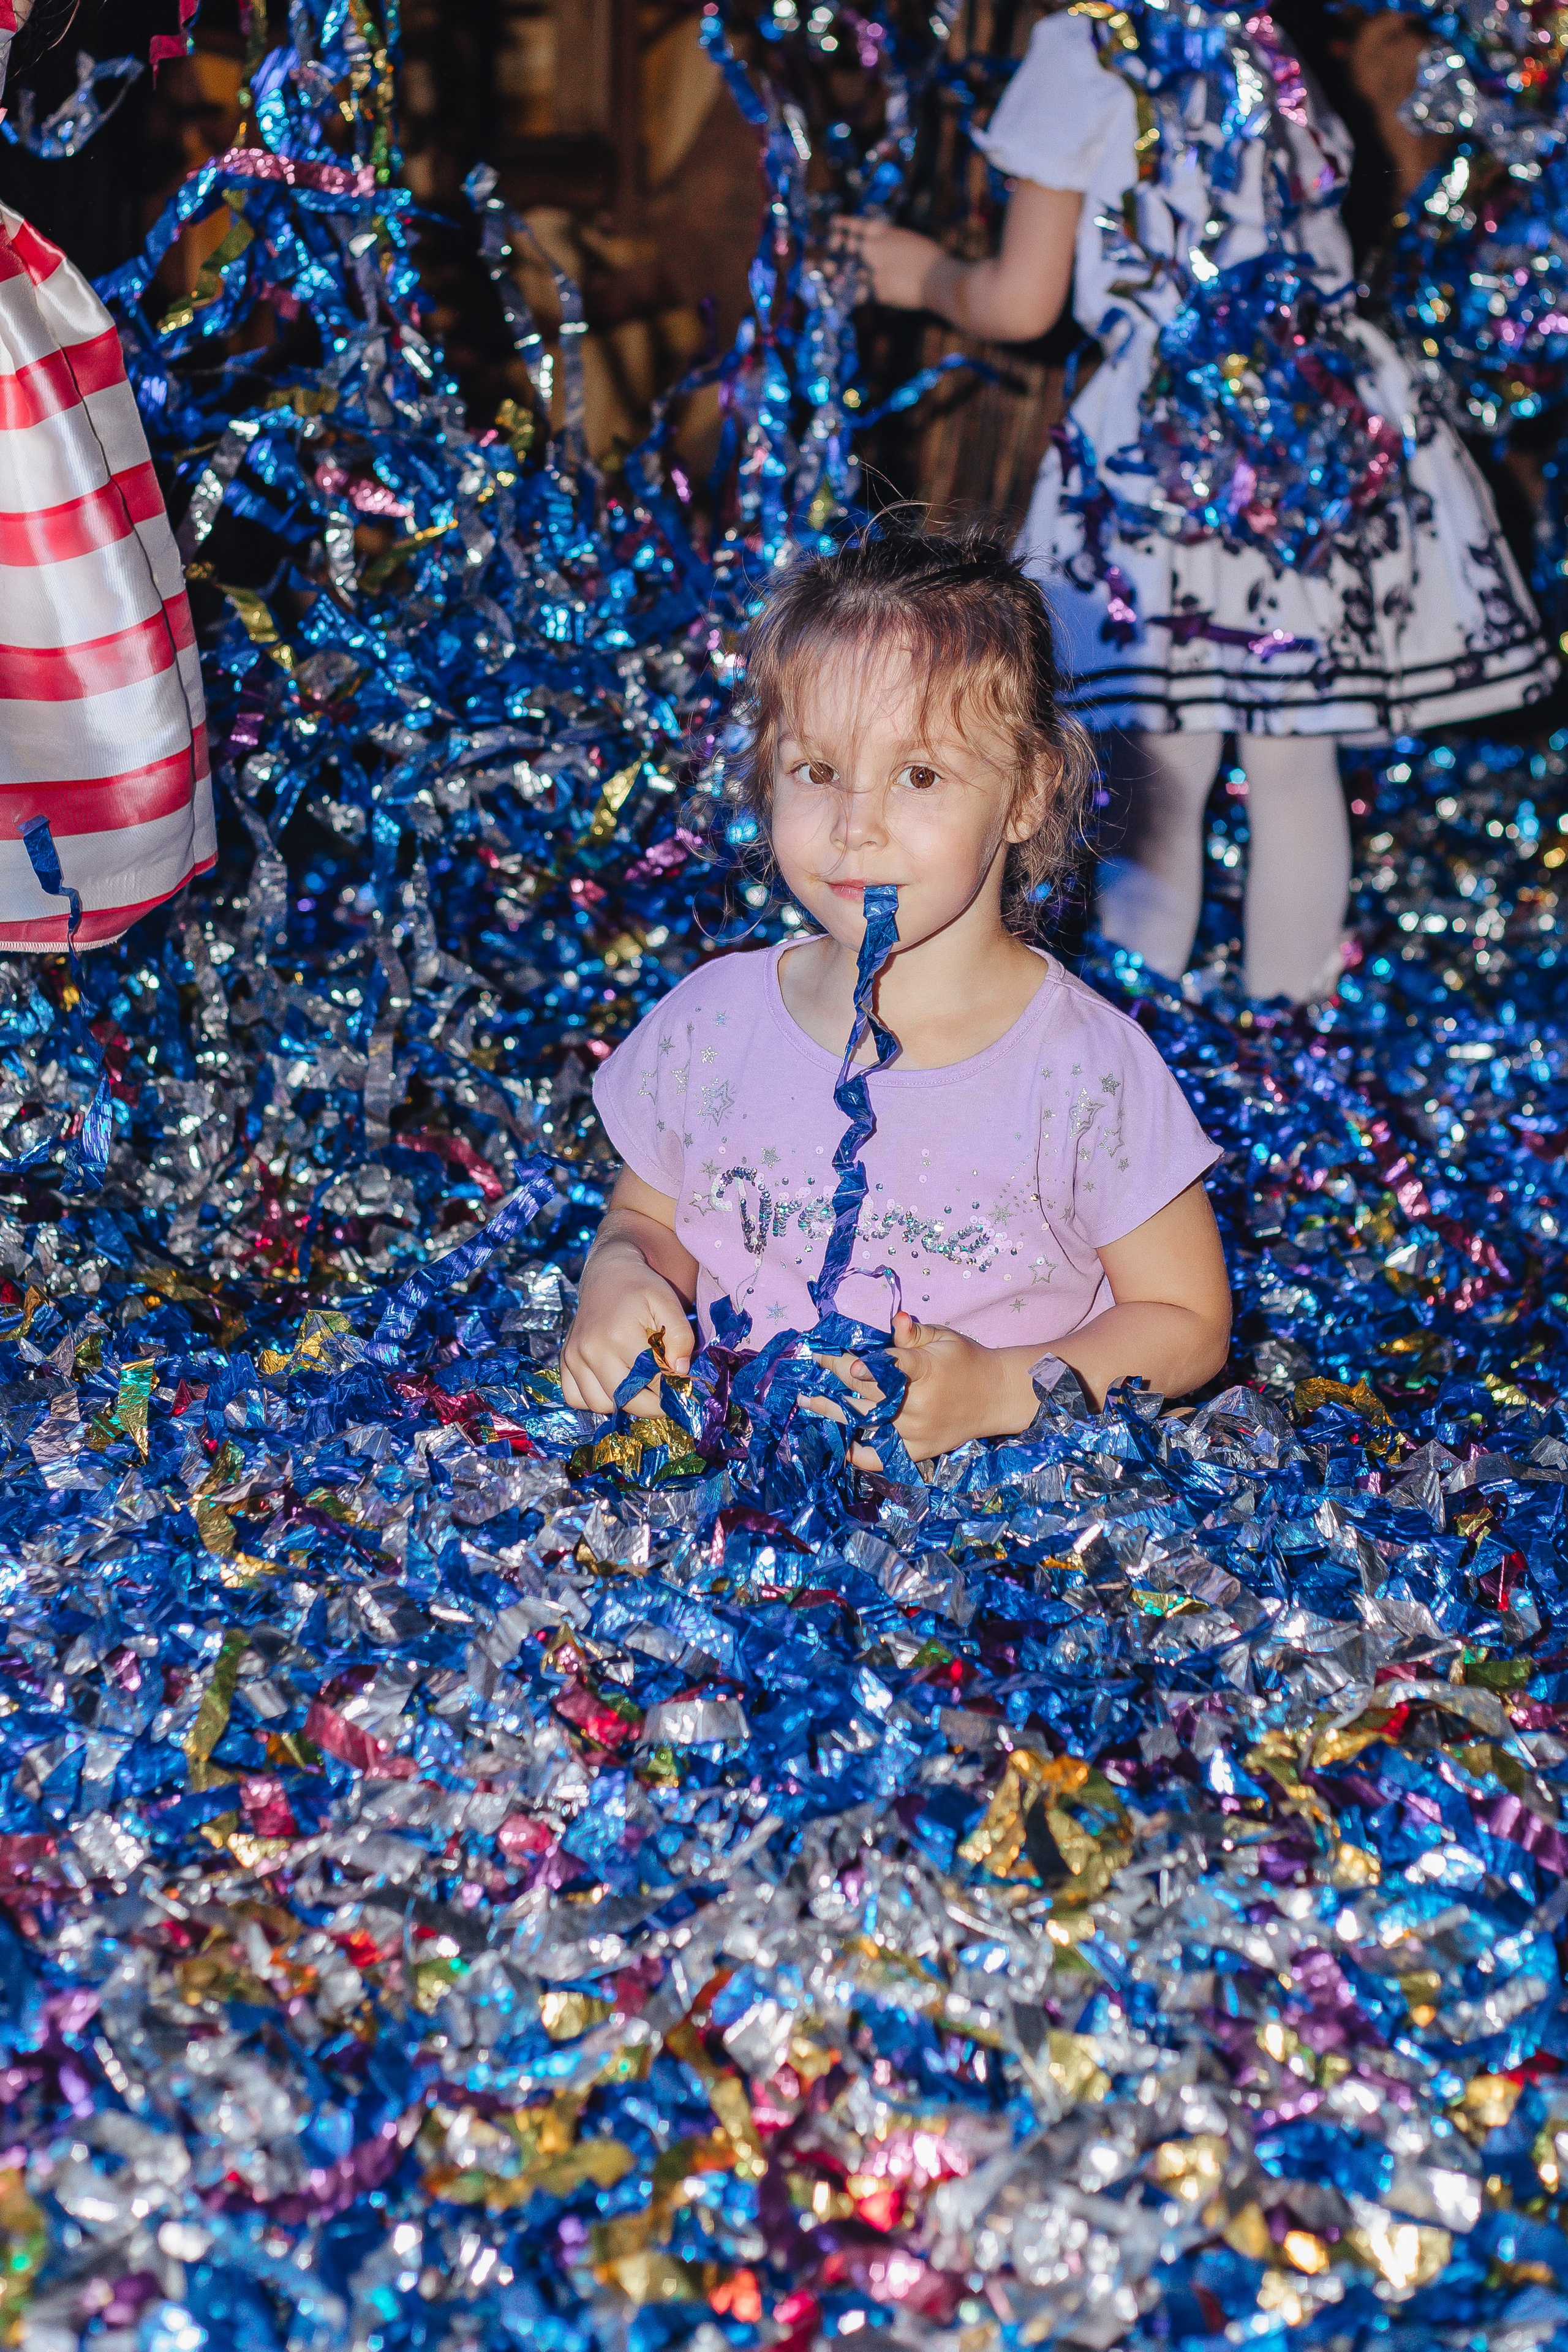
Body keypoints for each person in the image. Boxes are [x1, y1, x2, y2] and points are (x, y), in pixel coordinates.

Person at [835, 5, 1557, 1004]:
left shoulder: (1087, 48)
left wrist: (918, 273)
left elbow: (1019, 301)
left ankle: (1137, 1033)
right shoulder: (1257, 34)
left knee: (1151, 764)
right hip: (1314, 439)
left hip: (1173, 454)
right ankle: (1287, 1036)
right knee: (1293, 759)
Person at [561, 526, 1231, 1462]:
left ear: (1030, 792)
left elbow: (1188, 1320)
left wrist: (1008, 1388)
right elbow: (646, 1217)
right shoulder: (711, 1024)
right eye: (817, 772)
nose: (854, 827)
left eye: (919, 776)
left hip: (998, 1536)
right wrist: (618, 1277)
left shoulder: (1086, 1071)